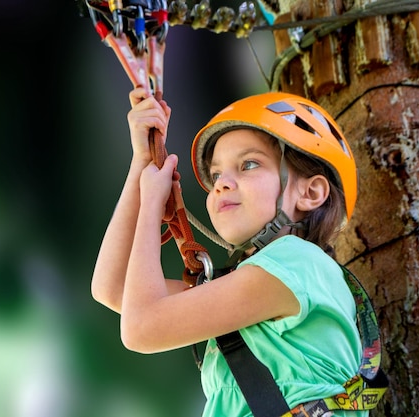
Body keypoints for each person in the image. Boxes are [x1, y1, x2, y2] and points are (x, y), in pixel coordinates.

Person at [91, 86, 367, 417]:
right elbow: (114, 286)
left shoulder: (297, 262)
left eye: (249, 164)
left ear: (310, 192)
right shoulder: (259, 285)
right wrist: (141, 165)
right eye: (218, 174)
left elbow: (141, 327)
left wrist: (152, 204)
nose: (221, 183)